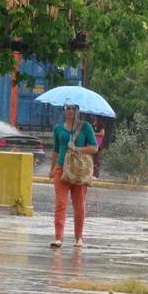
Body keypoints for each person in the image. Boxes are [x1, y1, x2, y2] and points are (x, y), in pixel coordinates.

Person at [48, 103, 98, 248]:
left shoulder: (85, 127)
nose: (70, 111)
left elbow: (94, 148)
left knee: (79, 205)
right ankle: (58, 238)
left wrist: (77, 149)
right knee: (60, 203)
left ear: (77, 111)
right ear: (64, 110)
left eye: (73, 108)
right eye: (68, 108)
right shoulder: (58, 129)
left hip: (78, 171)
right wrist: (52, 169)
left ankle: (79, 238)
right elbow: (56, 150)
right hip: (61, 169)